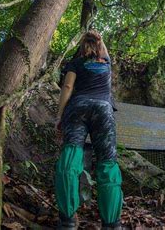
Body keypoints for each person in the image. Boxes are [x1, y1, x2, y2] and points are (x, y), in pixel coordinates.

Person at [55, 30, 123, 229]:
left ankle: (67, 220)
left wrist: (59, 117)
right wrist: (98, 38)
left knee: (70, 156)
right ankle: (111, 223)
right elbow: (103, 50)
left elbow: (67, 88)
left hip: (78, 108)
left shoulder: (75, 63)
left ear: (81, 48)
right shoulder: (106, 63)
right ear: (100, 47)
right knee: (107, 161)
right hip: (103, 110)